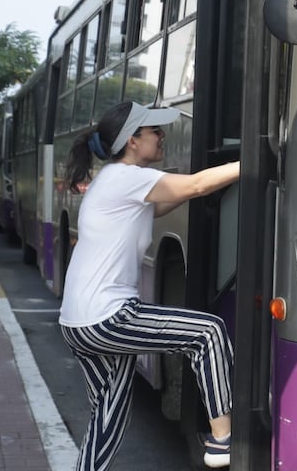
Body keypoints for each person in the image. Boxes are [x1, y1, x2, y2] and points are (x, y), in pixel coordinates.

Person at [59, 101, 242, 471]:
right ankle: (223, 441)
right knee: (207, 332)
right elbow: (194, 185)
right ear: (132, 141)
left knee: (107, 417)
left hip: (76, 322)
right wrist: (255, 157)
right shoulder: (126, 178)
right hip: (107, 316)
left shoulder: (114, 182)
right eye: (154, 131)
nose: (162, 136)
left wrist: (208, 183)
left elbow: (174, 196)